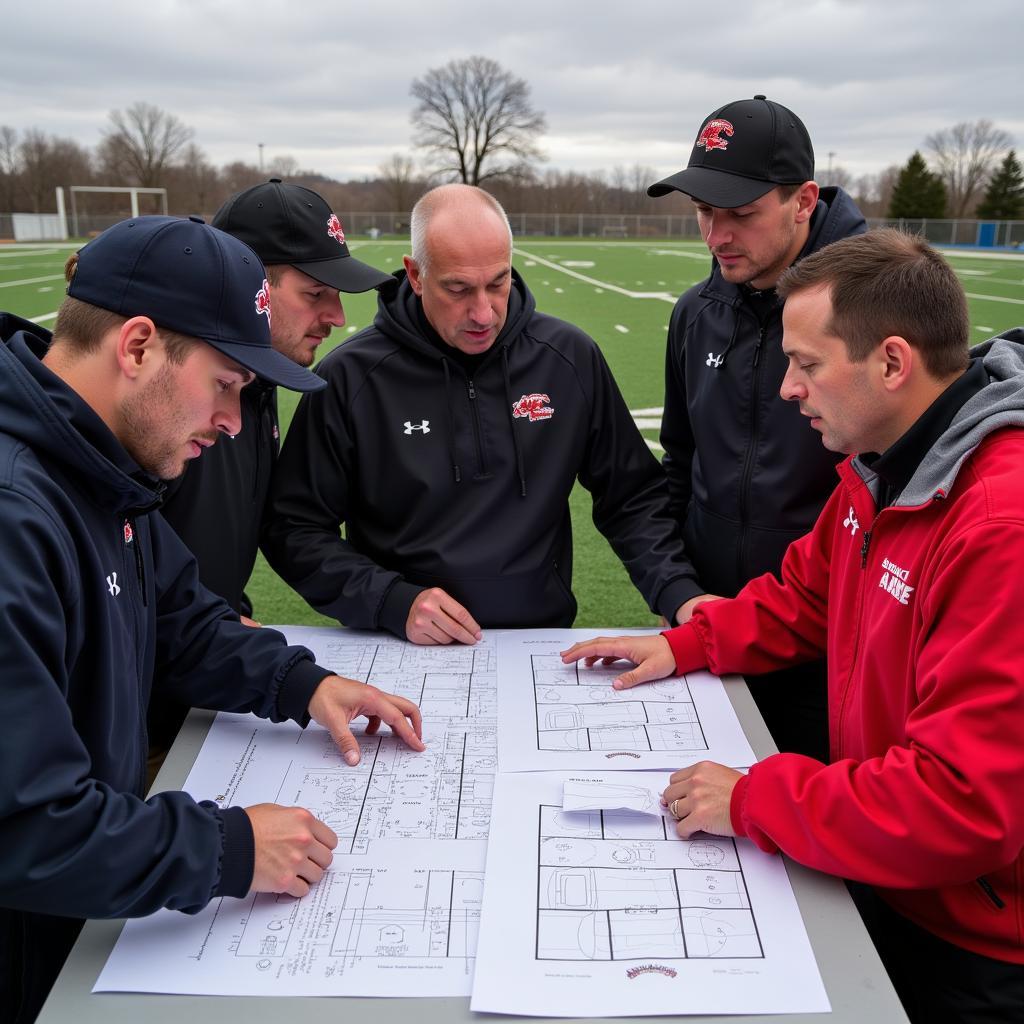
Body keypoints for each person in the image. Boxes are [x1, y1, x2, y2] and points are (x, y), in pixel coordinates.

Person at [562, 230, 1024, 1021]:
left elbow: (962, 803)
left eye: (807, 364)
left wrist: (753, 800)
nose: (787, 389)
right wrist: (683, 643)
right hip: (888, 876)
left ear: (891, 362)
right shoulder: (883, 460)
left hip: (975, 941)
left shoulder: (998, 522)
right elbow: (804, 596)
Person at [0, 216, 424, 1024]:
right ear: (137, 347)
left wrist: (305, 683)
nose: (233, 421)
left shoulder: (95, 465)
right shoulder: (18, 513)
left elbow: (184, 622)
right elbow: (27, 825)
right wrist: (227, 850)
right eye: (226, 382)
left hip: (75, 930)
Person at [262, 183, 698, 644]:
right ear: (415, 275)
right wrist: (390, 600)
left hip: (538, 642)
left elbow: (632, 497)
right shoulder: (351, 377)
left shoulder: (567, 358)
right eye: (458, 288)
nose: (484, 313)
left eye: (498, 282)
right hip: (398, 643)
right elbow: (296, 528)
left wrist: (677, 591)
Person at [647, 95, 867, 762]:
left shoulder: (874, 306)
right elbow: (679, 466)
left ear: (802, 201)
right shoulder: (696, 312)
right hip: (710, 629)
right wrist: (677, 592)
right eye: (704, 212)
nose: (716, 235)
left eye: (740, 214)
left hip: (830, 645)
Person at [149, 180, 392, 760]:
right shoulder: (156, 405)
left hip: (210, 687)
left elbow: (269, 530)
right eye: (315, 293)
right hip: (141, 722)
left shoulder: (259, 383)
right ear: (246, 281)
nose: (337, 315)